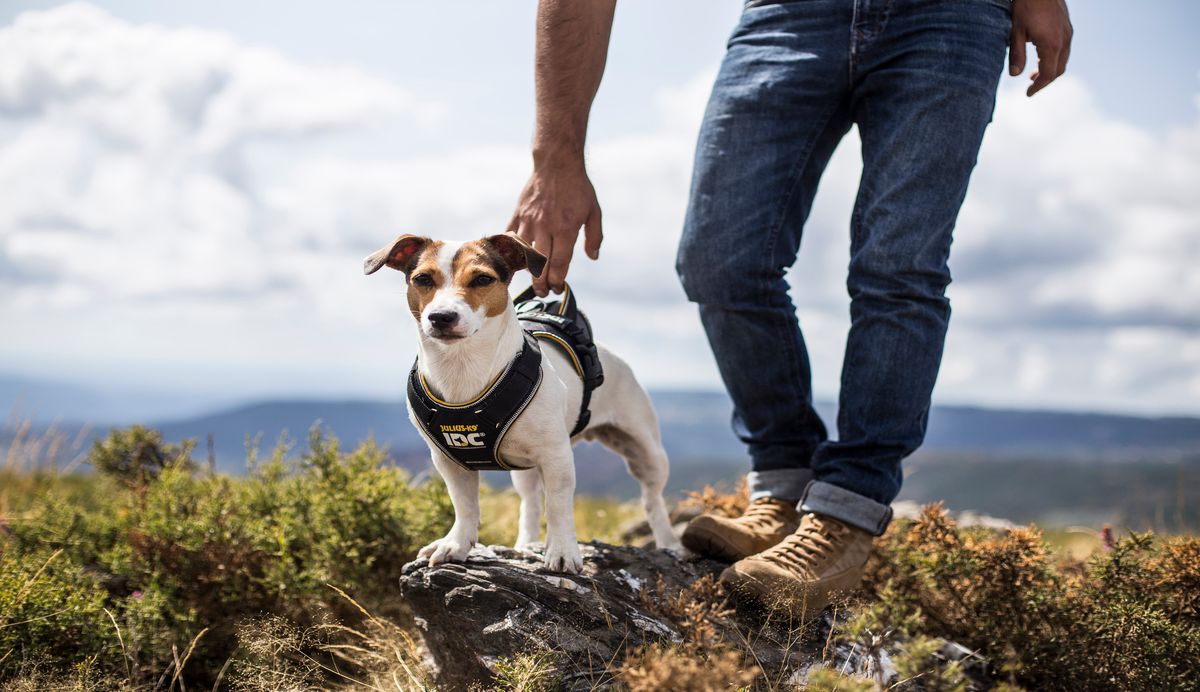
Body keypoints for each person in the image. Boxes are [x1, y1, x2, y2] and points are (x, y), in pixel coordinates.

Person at [508, 0, 1073, 614]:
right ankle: (785, 481)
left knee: (897, 266)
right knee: (720, 260)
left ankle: (844, 510)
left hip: (950, 15)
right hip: (788, 16)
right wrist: (555, 155)